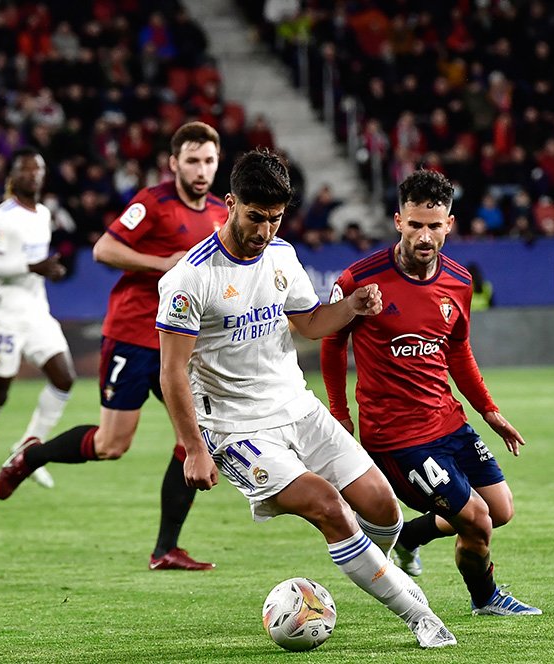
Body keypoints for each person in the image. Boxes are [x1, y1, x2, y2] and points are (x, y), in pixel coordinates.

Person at [158, 149, 454, 648]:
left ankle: (366, 568)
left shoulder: (281, 256)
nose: (265, 230)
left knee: (384, 508)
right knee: (326, 505)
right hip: (236, 429)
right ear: (230, 204)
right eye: (255, 217)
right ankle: (420, 615)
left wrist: (354, 307)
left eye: (275, 219)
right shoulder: (191, 279)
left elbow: (312, 323)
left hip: (298, 406)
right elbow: (171, 373)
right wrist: (193, 447)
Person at [0, 122, 226, 572]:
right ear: (174, 163)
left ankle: (165, 550)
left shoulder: (221, 212)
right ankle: (31, 454)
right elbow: (103, 249)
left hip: (178, 342)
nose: (201, 170)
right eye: (193, 160)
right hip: (133, 334)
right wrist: (163, 263)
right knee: (111, 444)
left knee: (195, 439)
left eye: (209, 161)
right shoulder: (152, 204)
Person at [321, 169, 541, 617]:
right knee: (476, 520)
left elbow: (459, 352)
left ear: (449, 224)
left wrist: (490, 410)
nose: (425, 235)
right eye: (416, 224)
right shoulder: (361, 279)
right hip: (396, 437)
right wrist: (340, 415)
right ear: (398, 221)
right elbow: (331, 342)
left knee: (499, 509)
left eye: (434, 225)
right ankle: (486, 599)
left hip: (449, 421)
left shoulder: (458, 282)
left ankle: (411, 536)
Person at [0, 147, 74, 499]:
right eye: (25, 169)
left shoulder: (42, 213)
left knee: (64, 379)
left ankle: (26, 451)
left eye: (38, 168)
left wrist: (49, 271)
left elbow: (36, 263)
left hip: (35, 308)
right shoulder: (2, 218)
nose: (33, 174)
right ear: (13, 176)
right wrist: (34, 267)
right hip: (2, 311)